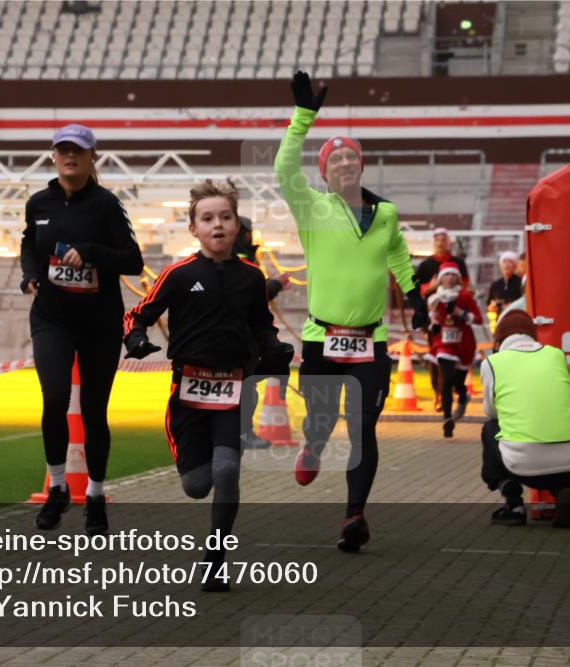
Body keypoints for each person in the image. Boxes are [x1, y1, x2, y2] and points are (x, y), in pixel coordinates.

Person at [274, 71, 429, 553]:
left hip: (370, 341)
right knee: (321, 418)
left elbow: (400, 255)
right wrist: (303, 117)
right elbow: (283, 170)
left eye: (351, 156)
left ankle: (353, 516)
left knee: (363, 427)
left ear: (361, 166)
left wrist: (416, 295)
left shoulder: (385, 214)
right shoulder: (312, 209)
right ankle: (313, 445)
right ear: (324, 173)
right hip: (323, 336)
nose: (344, 162)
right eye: (334, 158)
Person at [123, 180, 293, 592]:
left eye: (225, 217)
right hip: (188, 395)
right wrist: (137, 340)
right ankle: (202, 482)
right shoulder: (178, 274)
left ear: (237, 227)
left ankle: (216, 558)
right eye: (207, 218)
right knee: (197, 486)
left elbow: (261, 325)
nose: (217, 225)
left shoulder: (253, 277)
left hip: (234, 390)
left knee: (228, 468)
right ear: (193, 229)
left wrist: (274, 349)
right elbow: (138, 314)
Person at [20, 123, 143, 535]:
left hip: (98, 321)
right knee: (54, 399)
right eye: (62, 150)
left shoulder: (106, 205)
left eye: (78, 150)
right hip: (52, 318)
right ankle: (57, 488)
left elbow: (132, 260)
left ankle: (94, 494)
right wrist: (30, 274)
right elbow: (27, 243)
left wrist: (90, 253)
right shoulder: (38, 203)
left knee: (93, 410)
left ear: (93, 159)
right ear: (53, 156)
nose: (69, 156)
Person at [479, 310, 570, 528]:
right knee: (565, 426)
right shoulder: (556, 354)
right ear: (532, 334)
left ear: (499, 338)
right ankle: (567, 491)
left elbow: (492, 411)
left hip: (524, 466)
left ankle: (514, 505)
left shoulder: (492, 363)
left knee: (490, 428)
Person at [233, 215, 291, 450]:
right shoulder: (240, 260)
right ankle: (242, 433)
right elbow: (251, 293)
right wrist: (275, 285)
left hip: (245, 332)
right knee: (245, 386)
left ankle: (238, 433)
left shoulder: (245, 257)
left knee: (245, 385)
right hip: (242, 334)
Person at [415, 227, 470, 410]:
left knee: (459, 355)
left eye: (444, 239)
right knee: (436, 357)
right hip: (435, 319)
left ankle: (455, 387)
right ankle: (438, 392)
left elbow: (466, 287)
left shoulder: (459, 263)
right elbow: (418, 290)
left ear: (449, 242)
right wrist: (432, 288)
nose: (440, 242)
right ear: (434, 242)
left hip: (457, 320)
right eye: (437, 239)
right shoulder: (426, 265)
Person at [427, 262, 482, 438]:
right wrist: (434, 325)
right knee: (447, 380)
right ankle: (447, 419)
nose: (449, 278)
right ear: (441, 278)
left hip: (463, 343)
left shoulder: (465, 296)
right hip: (442, 343)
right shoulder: (434, 298)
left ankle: (463, 395)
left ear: (457, 278)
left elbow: (478, 319)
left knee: (458, 382)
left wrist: (460, 313)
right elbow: (433, 318)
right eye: (446, 275)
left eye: (453, 275)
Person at [486, 250, 522, 315]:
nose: (507, 264)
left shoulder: (520, 282)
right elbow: (489, 303)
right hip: (499, 320)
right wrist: (491, 308)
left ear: (515, 266)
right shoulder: (495, 285)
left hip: (516, 317)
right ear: (500, 266)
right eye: (504, 261)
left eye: (510, 261)